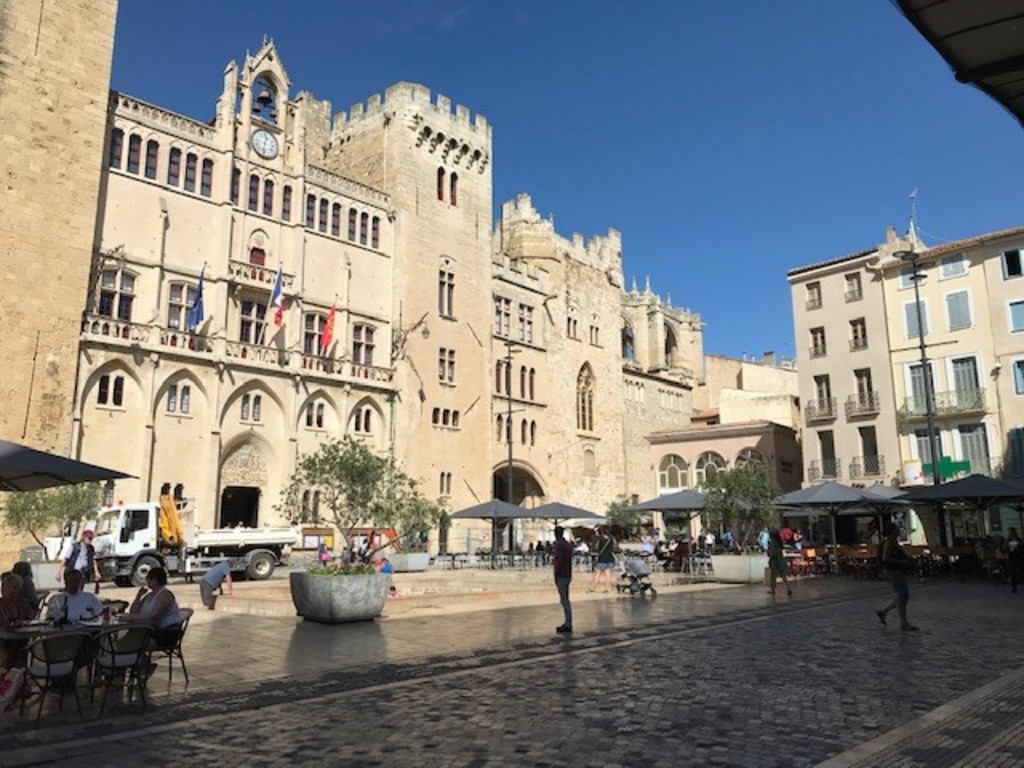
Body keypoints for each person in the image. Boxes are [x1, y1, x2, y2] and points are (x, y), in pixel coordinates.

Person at [876, 523, 918, 631]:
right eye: (897, 529)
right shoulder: (889, 542)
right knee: (902, 595)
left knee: (902, 596)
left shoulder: (894, 542)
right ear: (893, 531)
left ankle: (884, 612)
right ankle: (903, 623)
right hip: (893, 571)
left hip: (896, 570)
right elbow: (886, 558)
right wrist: (902, 562)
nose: (899, 530)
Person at [552, 525, 573, 634]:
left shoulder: (559, 545)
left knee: (564, 600)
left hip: (561, 575)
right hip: (568, 574)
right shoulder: (568, 545)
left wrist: (555, 574)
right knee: (565, 599)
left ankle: (568, 623)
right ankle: (568, 621)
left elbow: (558, 561)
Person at [589, 527, 616, 593]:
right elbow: (614, 547)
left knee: (597, 574)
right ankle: (607, 589)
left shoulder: (600, 540)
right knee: (608, 575)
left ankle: (593, 588)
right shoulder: (612, 539)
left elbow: (596, 547)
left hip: (602, 559)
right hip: (609, 558)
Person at [767, 530, 793, 596]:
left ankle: (773, 589)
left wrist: (770, 553)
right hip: (780, 560)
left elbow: (773, 552)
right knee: (783, 576)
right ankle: (788, 588)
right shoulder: (779, 542)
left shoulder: (773, 543)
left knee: (773, 576)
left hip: (775, 561)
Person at [1003, 527, 1023, 593]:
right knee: (1013, 573)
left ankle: (1015, 585)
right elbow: (1005, 548)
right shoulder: (1009, 540)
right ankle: (1014, 587)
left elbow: (1013, 548)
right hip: (1012, 558)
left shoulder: (1017, 539)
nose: (1009, 533)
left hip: (1018, 557)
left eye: (1010, 532)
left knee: (1019, 572)